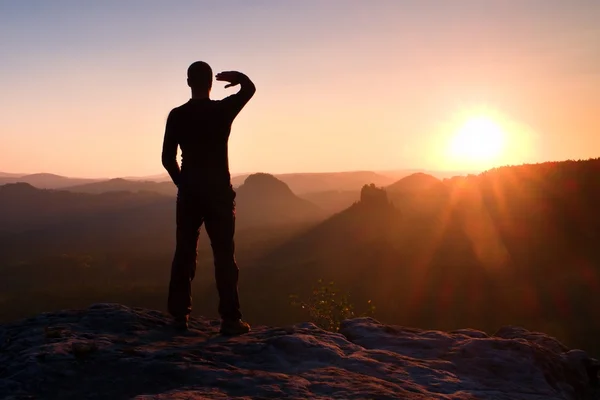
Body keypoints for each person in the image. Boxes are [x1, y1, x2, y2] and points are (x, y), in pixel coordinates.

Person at [161, 61, 255, 334]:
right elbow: (249, 89)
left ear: (189, 82)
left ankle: (179, 318)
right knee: (225, 255)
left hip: (190, 193)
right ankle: (230, 320)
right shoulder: (222, 111)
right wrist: (236, 77)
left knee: (184, 254)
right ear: (211, 83)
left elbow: (167, 159)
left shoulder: (177, 115)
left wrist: (183, 184)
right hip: (219, 195)